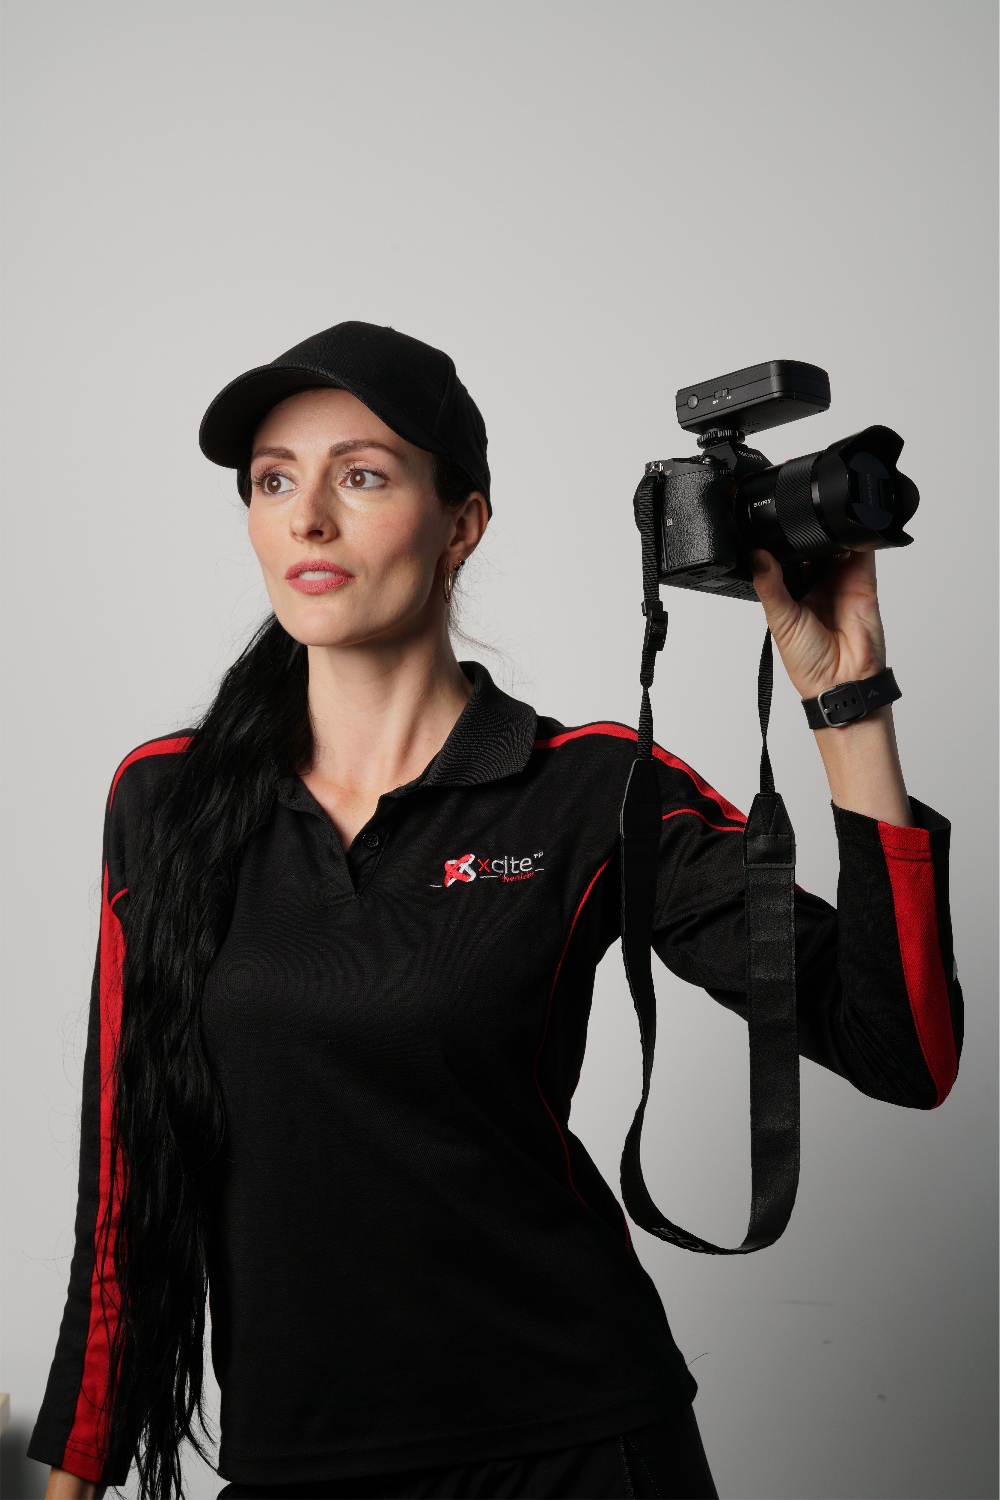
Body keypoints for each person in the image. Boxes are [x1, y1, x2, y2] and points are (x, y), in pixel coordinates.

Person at [29, 322, 962, 1500]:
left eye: (361, 476)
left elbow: (899, 1047)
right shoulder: (166, 799)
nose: (306, 518)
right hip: (296, 1458)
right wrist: (74, 1475)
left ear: (462, 522)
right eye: (273, 481)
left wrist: (847, 699)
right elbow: (124, 1177)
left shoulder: (589, 787)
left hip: (576, 1446)